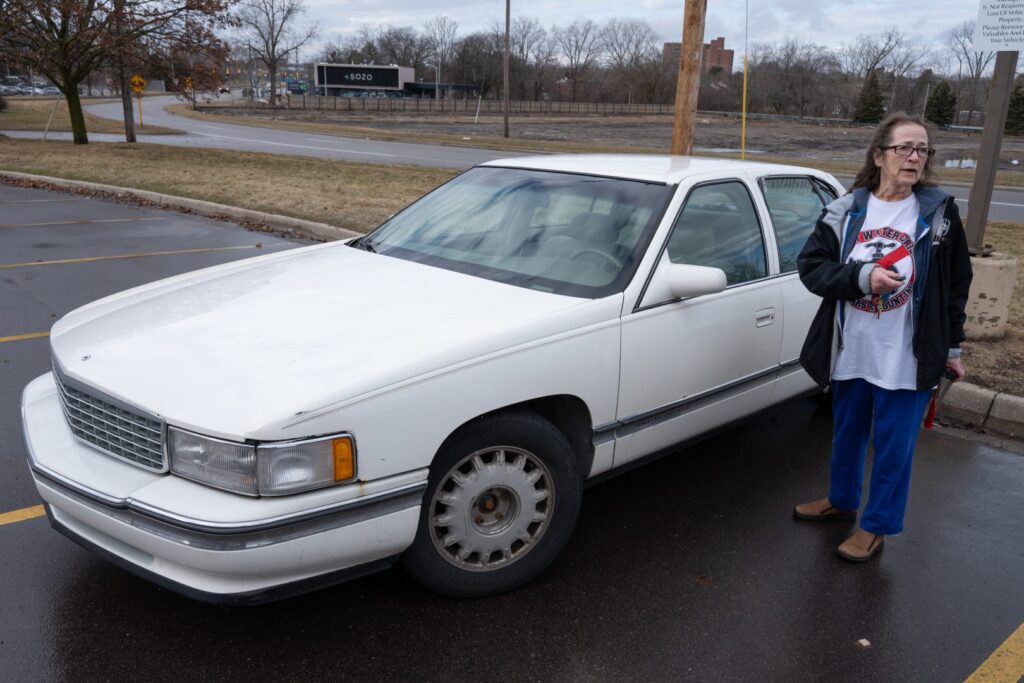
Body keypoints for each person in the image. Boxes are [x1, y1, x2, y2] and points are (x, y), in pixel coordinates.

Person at [793, 112, 973, 562]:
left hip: (908, 354)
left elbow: (956, 283)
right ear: (879, 156)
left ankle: (876, 526)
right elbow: (812, 269)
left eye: (923, 150)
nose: (915, 157)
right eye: (904, 148)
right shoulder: (847, 210)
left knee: (895, 446)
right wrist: (861, 278)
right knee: (847, 432)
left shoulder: (938, 214)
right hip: (852, 346)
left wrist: (951, 346)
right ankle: (842, 499)